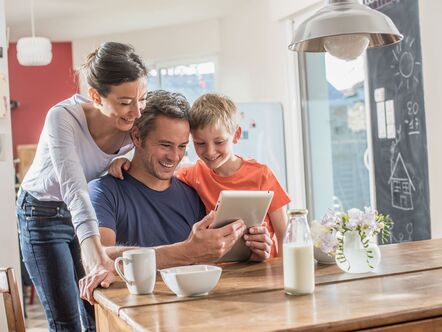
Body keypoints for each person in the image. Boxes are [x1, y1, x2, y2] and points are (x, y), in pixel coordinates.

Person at [83, 91, 271, 300]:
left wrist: (250, 252)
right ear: (137, 137)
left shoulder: (191, 193)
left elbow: (206, 259)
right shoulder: (104, 191)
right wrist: (186, 252)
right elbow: (100, 255)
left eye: (182, 146)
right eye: (165, 145)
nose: (174, 157)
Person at [16, 42, 148, 331]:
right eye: (125, 102)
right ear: (95, 96)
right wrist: (96, 257)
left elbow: (165, 145)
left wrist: (127, 157)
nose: (137, 112)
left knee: (96, 309)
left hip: (83, 212)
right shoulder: (62, 118)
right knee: (67, 319)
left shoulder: (137, 119)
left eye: (142, 98)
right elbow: (74, 188)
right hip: (40, 214)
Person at [175, 93, 291, 257]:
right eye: (200, 143)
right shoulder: (195, 173)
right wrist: (125, 161)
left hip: (263, 264)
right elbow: (162, 175)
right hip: (223, 269)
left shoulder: (262, 175)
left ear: (236, 135)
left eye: (219, 142)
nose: (210, 151)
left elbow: (284, 233)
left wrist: (281, 272)